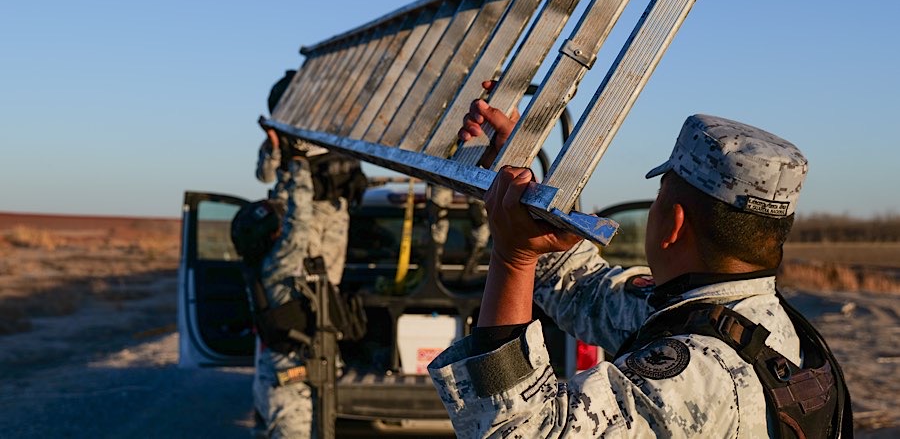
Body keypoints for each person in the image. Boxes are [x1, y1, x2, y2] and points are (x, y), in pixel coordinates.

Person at [427, 104, 852, 437]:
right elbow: (582, 290)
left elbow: (517, 432)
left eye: (659, 195)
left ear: (673, 224)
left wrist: (511, 258)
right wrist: (514, 180)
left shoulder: (703, 374)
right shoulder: (744, 320)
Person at [249, 70, 366, 438]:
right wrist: (279, 149)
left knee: (325, 293)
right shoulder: (283, 141)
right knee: (297, 293)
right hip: (299, 223)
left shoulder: (335, 134)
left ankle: (320, 341)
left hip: (333, 220)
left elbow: (355, 174)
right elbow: (263, 175)